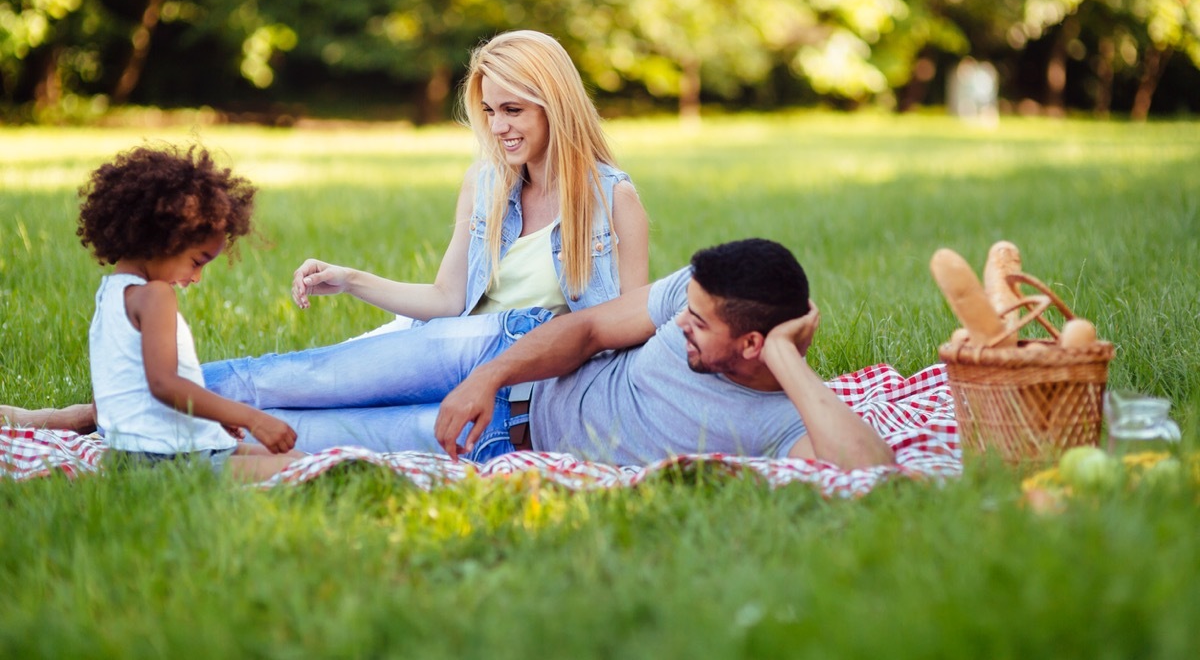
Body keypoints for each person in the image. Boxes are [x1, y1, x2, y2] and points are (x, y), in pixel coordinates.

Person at [199, 29, 649, 451]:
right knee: (297, 381)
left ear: (556, 106)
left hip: (514, 396)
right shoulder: (486, 185)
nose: (497, 128)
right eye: (490, 112)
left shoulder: (614, 202)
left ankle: (171, 441)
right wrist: (351, 279)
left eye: (513, 110)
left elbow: (627, 331)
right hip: (447, 349)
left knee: (318, 432)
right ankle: (144, 394)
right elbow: (447, 298)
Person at [214, 239, 895, 470]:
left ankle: (151, 442)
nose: (679, 322)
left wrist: (787, 359)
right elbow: (590, 331)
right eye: (683, 309)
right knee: (299, 377)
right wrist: (490, 373)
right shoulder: (698, 296)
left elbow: (871, 473)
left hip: (501, 441)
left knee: (301, 436)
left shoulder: (784, 426)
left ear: (753, 342)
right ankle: (110, 408)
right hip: (505, 350)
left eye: (698, 322)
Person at [76, 145, 304, 481]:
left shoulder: (109, 296)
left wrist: (208, 416)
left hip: (143, 452)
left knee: (299, 458)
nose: (196, 278)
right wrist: (251, 418)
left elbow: (115, 394)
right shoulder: (155, 296)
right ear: (161, 238)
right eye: (197, 262)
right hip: (165, 458)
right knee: (303, 467)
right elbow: (164, 384)